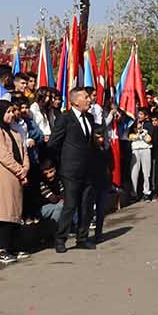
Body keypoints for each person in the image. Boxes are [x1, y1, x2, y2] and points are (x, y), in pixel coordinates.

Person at [49, 87, 108, 252]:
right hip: (70, 170)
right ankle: (60, 239)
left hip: (88, 168)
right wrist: (59, 162)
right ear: (75, 101)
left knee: (86, 204)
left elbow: (90, 141)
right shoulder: (65, 118)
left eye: (89, 97)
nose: (89, 100)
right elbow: (54, 142)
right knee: (70, 204)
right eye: (85, 97)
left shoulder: (89, 117)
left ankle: (82, 238)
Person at [0, 98, 29, 264]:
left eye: (12, 111)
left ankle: (12, 246)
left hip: (17, 176)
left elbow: (24, 152)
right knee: (3, 212)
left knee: (15, 212)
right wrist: (20, 170)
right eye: (8, 112)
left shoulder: (16, 132)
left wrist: (25, 169)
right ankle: (0, 249)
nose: (12, 115)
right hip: (4, 176)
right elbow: (3, 155)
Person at [127, 106, 155, 201]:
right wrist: (136, 133)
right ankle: (134, 193)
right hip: (135, 149)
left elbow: (149, 139)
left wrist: (141, 131)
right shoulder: (132, 124)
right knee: (134, 172)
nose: (139, 116)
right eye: (138, 114)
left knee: (146, 172)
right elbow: (130, 136)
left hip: (145, 149)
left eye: (141, 114)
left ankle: (147, 192)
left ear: (146, 116)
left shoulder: (149, 125)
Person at [35, 157, 66, 228]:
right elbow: (53, 199)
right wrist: (59, 198)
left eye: (51, 171)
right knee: (60, 206)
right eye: (46, 173)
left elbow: (64, 194)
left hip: (52, 205)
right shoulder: (42, 183)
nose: (49, 175)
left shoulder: (59, 179)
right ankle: (52, 228)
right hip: (41, 209)